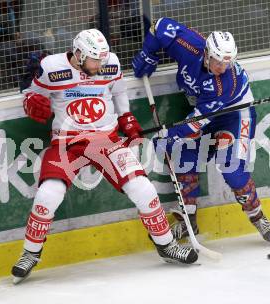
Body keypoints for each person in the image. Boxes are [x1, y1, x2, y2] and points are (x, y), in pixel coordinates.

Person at [11, 28, 198, 284]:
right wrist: (32, 104)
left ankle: (166, 245)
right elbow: (31, 95)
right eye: (94, 60)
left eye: (102, 59)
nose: (100, 65)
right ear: (78, 55)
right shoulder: (51, 67)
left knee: (143, 188)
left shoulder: (110, 63)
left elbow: (118, 92)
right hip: (67, 143)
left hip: (107, 141)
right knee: (47, 194)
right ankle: (30, 253)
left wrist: (127, 118)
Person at [132, 18, 270, 243]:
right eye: (218, 62)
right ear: (207, 53)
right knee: (183, 155)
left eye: (227, 63)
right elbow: (158, 27)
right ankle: (188, 222)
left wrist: (168, 136)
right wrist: (148, 53)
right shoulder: (190, 45)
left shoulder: (225, 82)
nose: (222, 68)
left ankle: (256, 214)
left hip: (234, 117)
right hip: (204, 113)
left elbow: (196, 124)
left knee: (231, 168)